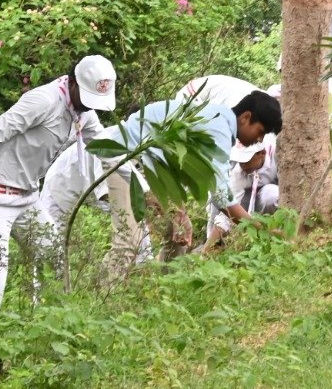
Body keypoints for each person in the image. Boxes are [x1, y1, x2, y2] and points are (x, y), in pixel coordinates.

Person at [0, 55, 115, 315]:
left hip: (27, 199)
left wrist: (141, 181)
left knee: (57, 259)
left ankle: (49, 325)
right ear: (73, 84)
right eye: (87, 99)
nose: (90, 107)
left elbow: (108, 150)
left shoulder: (82, 113)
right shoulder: (43, 101)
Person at [99, 90, 282, 280]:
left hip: (149, 165)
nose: (260, 140)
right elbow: (221, 196)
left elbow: (172, 163)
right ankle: (102, 299)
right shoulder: (219, 127)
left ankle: (166, 288)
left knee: (178, 233)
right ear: (246, 117)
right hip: (123, 157)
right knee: (129, 240)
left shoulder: (216, 119)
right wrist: (260, 229)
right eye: (261, 131)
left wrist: (180, 209)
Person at [204, 138, 279, 250]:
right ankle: (211, 244)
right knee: (217, 199)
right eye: (240, 161)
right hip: (251, 198)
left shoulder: (277, 155)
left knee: (270, 193)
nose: (243, 165)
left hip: (274, 197)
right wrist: (209, 245)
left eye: (246, 160)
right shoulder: (238, 172)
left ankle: (273, 229)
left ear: (262, 154)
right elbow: (229, 209)